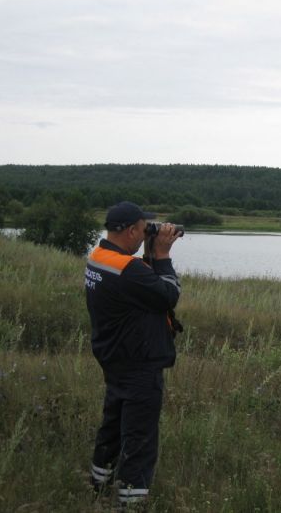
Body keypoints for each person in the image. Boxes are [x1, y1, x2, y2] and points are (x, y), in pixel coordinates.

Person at [85, 201, 182, 507]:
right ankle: (132, 501)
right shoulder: (129, 270)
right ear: (129, 231)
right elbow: (168, 294)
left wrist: (149, 254)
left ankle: (99, 484)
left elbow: (138, 285)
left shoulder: (99, 258)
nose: (145, 234)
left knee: (112, 426)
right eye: (143, 229)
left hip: (115, 359)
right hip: (139, 364)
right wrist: (162, 256)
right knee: (139, 438)